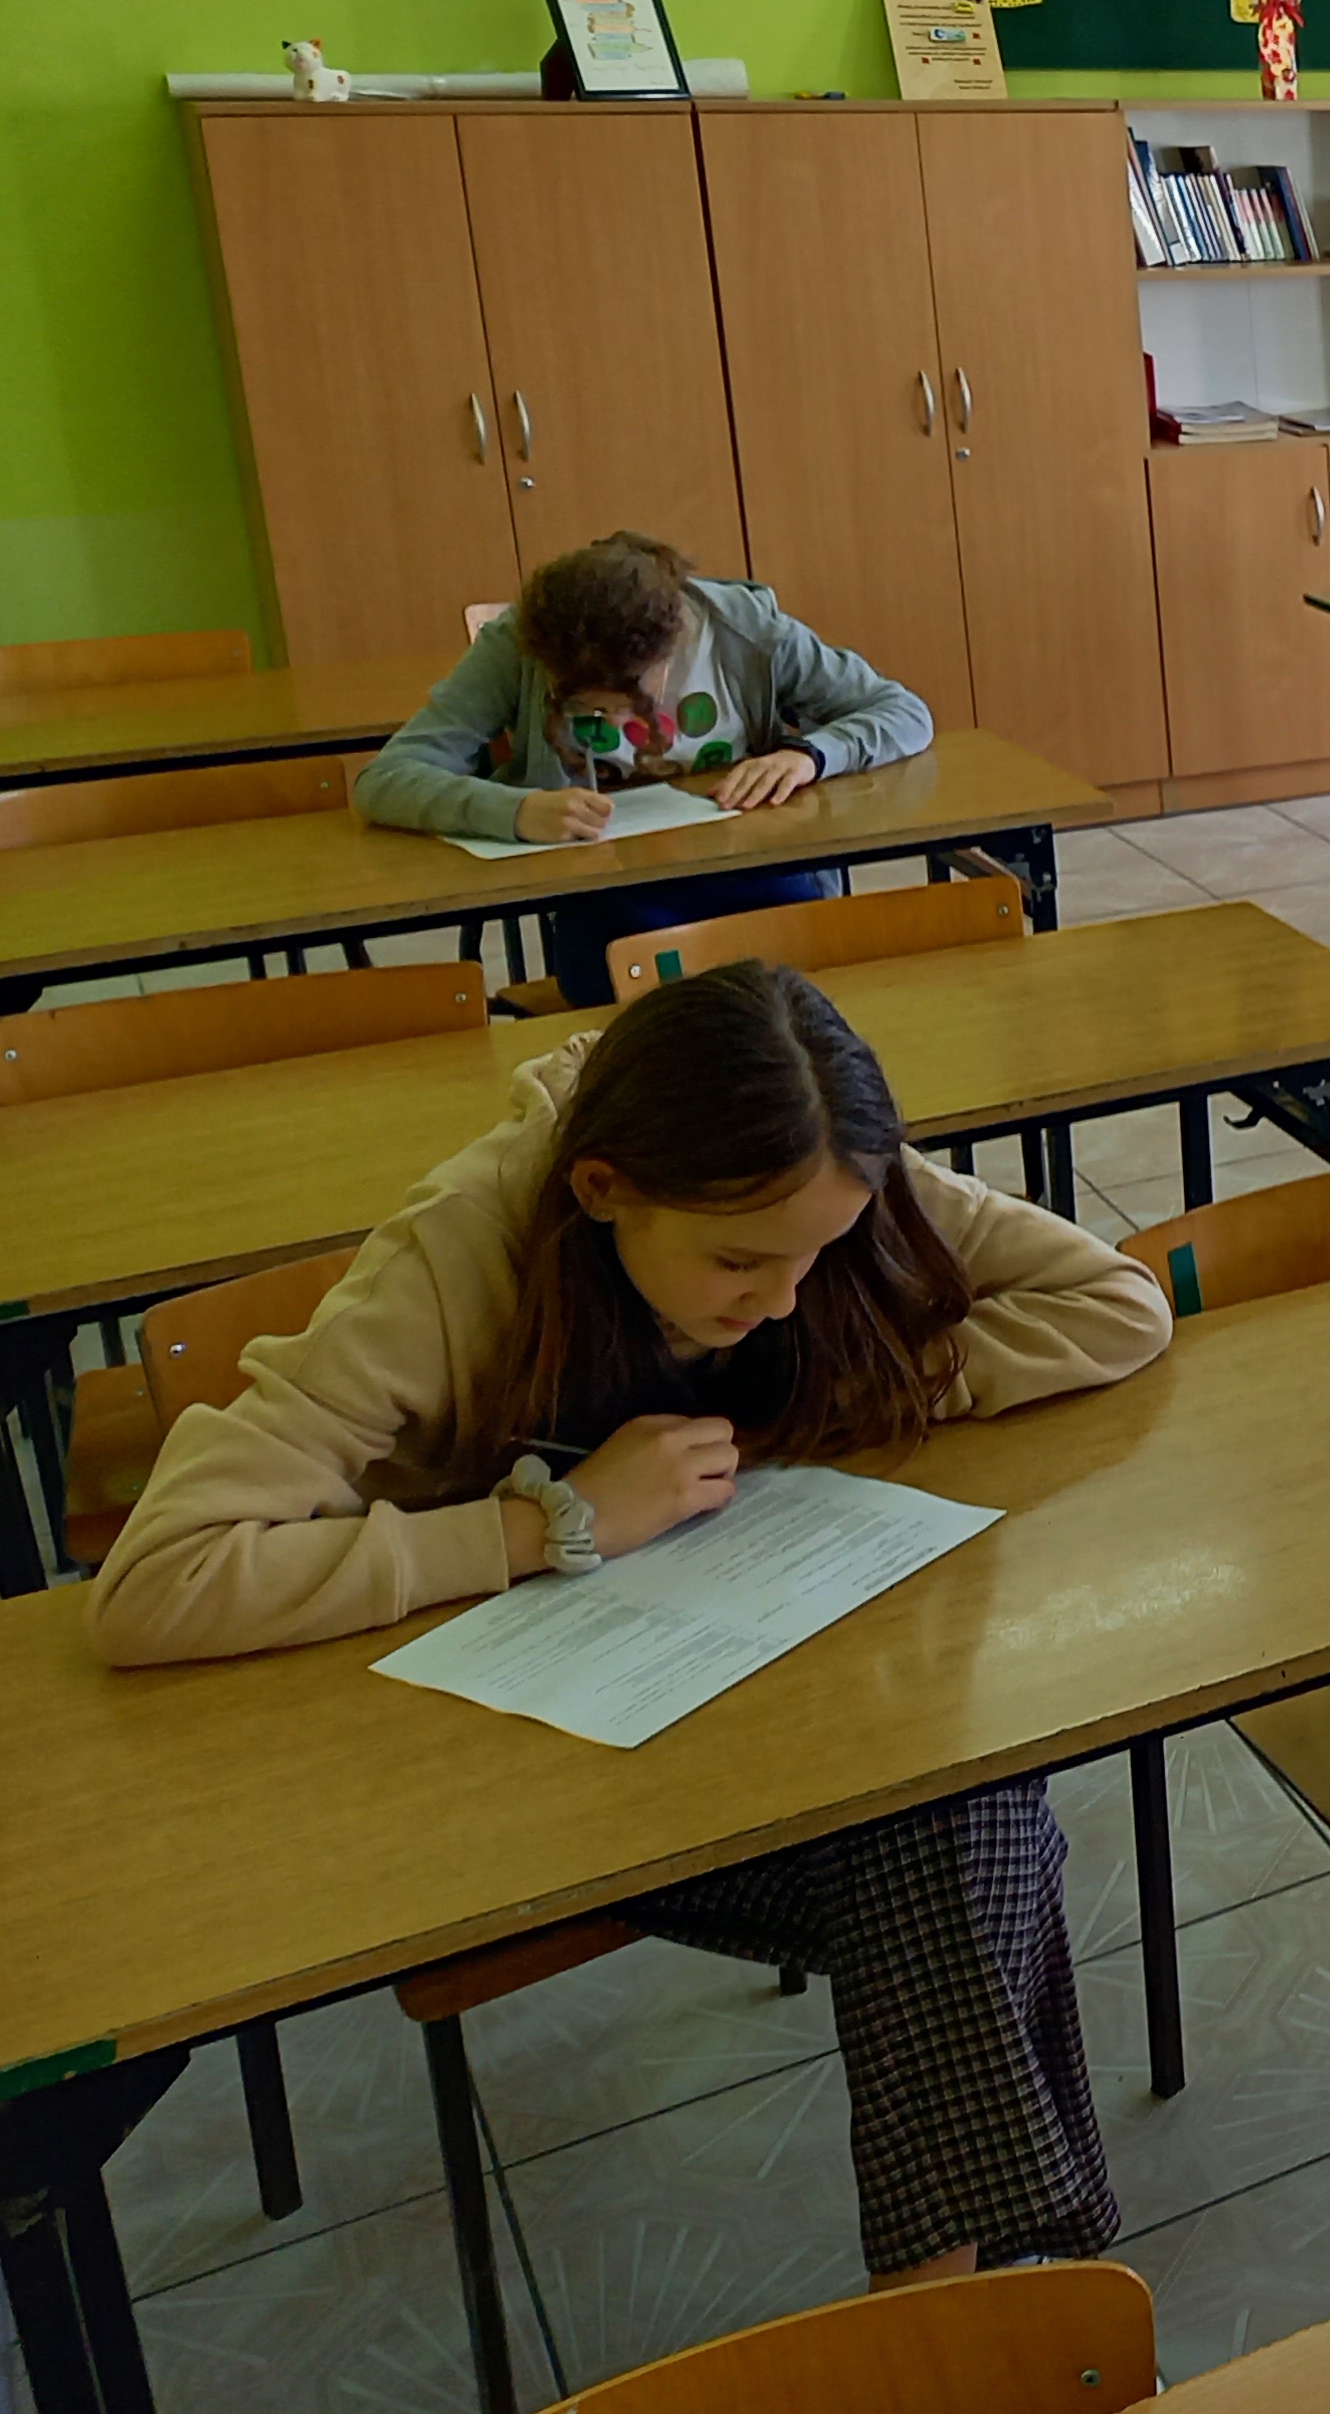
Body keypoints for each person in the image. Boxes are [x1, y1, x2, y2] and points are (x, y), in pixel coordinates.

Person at [85, 962, 1172, 2276]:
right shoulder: (459, 1250)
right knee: (963, 1840)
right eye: (737, 1262)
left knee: (952, 1811)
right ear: (605, 1189)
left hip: (756, 1692)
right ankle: (992, 2312)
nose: (784, 1298)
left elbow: (1121, 1303)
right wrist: (541, 1526)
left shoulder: (824, 1169)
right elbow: (157, 1582)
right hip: (537, 1752)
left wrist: (851, 1399)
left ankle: (950, 2320)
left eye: (818, 1256)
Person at [357, 531, 934, 1010]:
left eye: (627, 699)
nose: (612, 719)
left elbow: (903, 711)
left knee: (791, 1001)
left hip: (755, 870)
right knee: (639, 1009)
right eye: (587, 707)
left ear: (671, 646)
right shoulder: (517, 646)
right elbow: (387, 778)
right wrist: (514, 809)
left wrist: (809, 755)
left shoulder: (745, 629)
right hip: (611, 892)